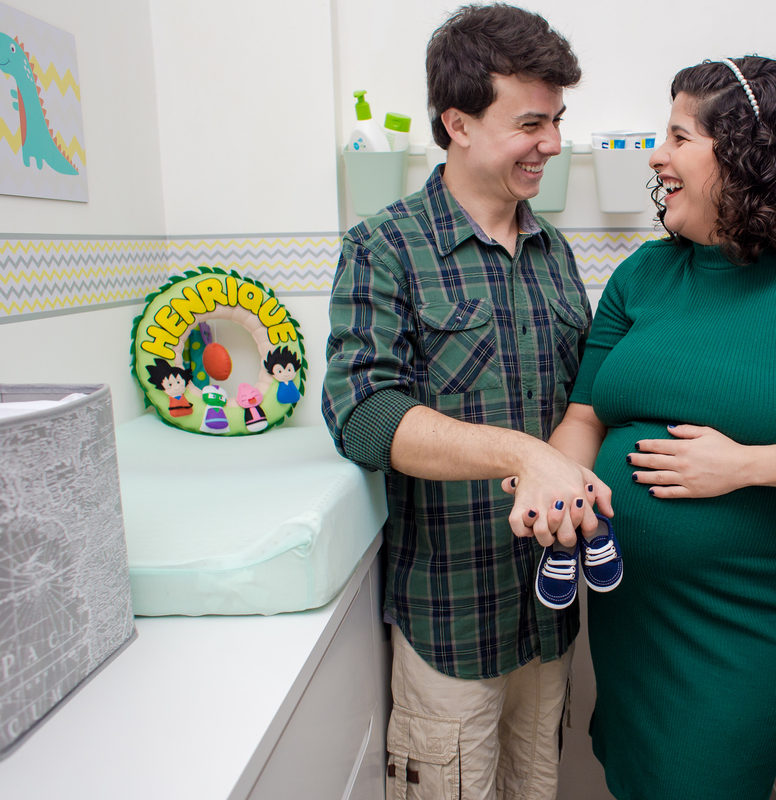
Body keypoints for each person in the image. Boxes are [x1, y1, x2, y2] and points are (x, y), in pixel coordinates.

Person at [521, 56, 776, 799]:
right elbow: (586, 415)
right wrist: (559, 481)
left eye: (679, 137)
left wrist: (745, 465)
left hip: (747, 619)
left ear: (747, 153)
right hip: (631, 618)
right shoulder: (642, 276)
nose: (657, 156)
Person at [321, 5, 612, 799]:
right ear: (458, 124)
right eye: (530, 124)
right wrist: (522, 454)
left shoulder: (555, 255)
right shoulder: (383, 247)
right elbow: (363, 414)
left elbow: (581, 406)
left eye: (557, 120)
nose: (552, 143)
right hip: (449, 622)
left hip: (548, 620)